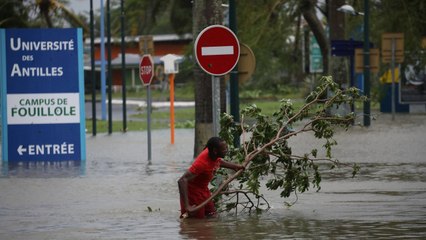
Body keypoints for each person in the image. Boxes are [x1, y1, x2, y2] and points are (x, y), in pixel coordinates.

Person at [178, 137, 244, 218]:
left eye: (226, 148)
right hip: (192, 193)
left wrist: (235, 166)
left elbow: (218, 161)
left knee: (212, 215)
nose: (226, 150)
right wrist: (187, 206)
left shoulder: (213, 154)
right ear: (215, 151)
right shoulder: (202, 163)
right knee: (196, 221)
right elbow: (182, 180)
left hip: (203, 189)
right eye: (224, 149)